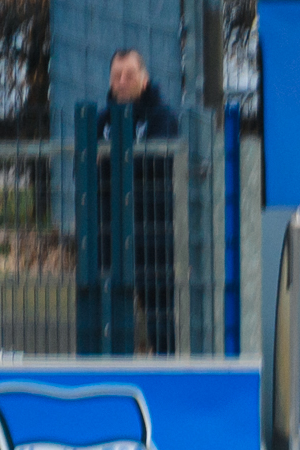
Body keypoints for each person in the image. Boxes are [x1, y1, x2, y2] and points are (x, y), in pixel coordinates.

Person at [107, 49, 181, 353]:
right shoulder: (101, 122)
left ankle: (165, 379)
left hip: (154, 242)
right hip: (110, 241)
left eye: (129, 75)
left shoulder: (162, 119)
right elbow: (84, 173)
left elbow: (158, 166)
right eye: (116, 75)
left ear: (145, 78)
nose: (122, 82)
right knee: (112, 324)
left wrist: (116, 166)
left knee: (160, 322)